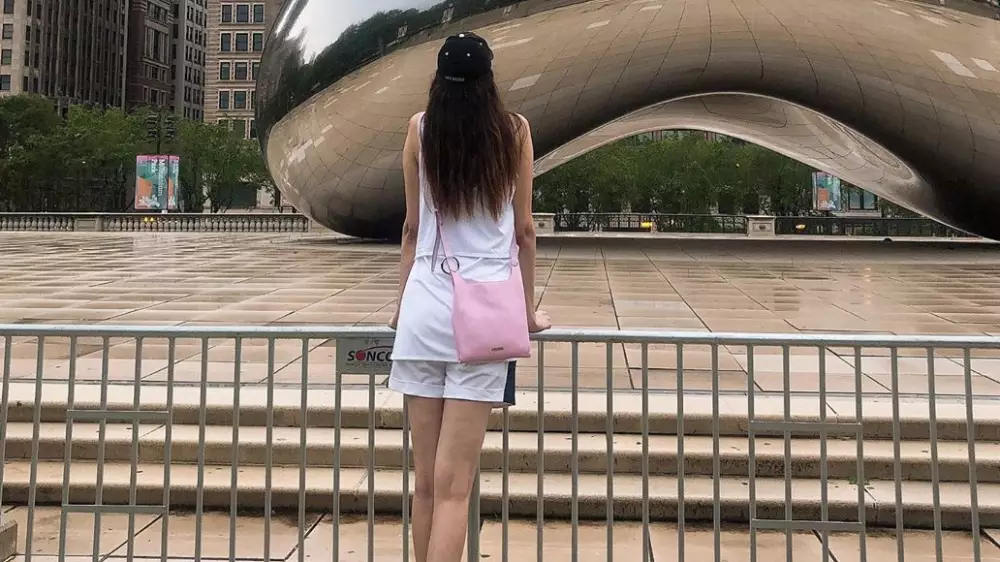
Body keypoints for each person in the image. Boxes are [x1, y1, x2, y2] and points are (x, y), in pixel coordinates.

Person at [387, 31, 552, 562]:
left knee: (425, 484)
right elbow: (524, 231)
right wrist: (527, 312)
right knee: (455, 487)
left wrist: (401, 307)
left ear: (438, 79)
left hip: (423, 307)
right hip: (485, 314)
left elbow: (412, 229)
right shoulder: (515, 132)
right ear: (489, 81)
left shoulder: (419, 129)